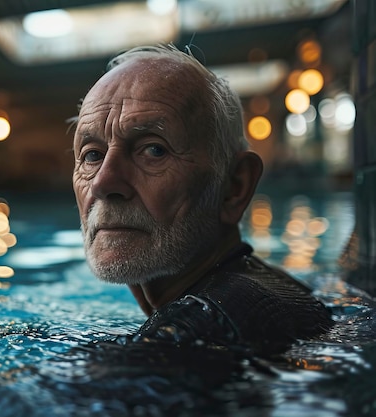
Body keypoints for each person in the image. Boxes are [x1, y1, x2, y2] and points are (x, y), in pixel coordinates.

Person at [71, 45, 332, 355]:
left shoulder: (201, 330)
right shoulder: (266, 291)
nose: (103, 182)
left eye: (154, 150)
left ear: (235, 186)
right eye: (92, 155)